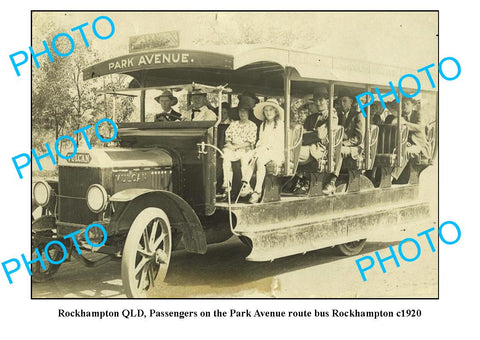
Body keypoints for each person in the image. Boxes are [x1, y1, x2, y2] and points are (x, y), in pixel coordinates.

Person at [296, 86, 339, 195]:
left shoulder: (332, 116)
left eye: (321, 100)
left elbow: (321, 135)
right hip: (308, 146)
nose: (318, 103)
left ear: (327, 101)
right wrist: (311, 134)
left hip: (320, 149)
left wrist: (310, 135)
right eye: (316, 101)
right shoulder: (311, 117)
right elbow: (301, 135)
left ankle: (302, 181)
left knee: (293, 154)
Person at [242, 98, 284, 204]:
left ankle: (257, 191)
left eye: (271, 110)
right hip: (262, 150)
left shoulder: (280, 125)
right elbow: (260, 140)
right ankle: (247, 185)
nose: (268, 113)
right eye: (266, 110)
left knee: (259, 160)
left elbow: (278, 143)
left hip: (276, 152)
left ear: (276, 111)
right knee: (245, 156)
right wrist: (258, 149)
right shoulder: (263, 125)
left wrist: (263, 149)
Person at [220, 103, 258, 199]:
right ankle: (227, 185)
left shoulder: (252, 125)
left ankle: (246, 187)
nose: (242, 113)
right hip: (233, 149)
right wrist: (229, 144)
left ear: (249, 113)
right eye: (241, 111)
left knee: (244, 160)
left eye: (245, 111)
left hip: (246, 150)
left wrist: (235, 147)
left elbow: (249, 143)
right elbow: (228, 136)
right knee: (225, 156)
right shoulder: (234, 124)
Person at [340, 93, 366, 165]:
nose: (342, 103)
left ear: (351, 102)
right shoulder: (340, 116)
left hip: (356, 148)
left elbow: (358, 138)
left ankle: (334, 175)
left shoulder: (358, 115)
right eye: (340, 101)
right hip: (343, 145)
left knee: (338, 151)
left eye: (344, 101)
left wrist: (343, 143)